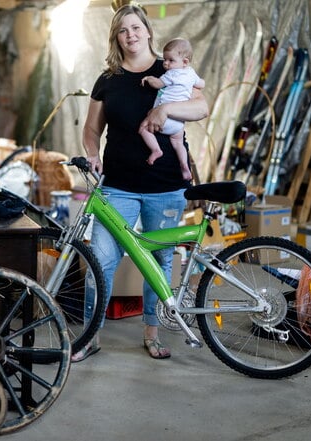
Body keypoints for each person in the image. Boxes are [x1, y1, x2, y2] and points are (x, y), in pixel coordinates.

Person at [73, 4, 208, 362]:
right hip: (116, 185)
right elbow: (91, 130)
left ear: (148, 30)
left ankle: (151, 332)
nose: (130, 35)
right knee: (101, 260)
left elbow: (201, 107)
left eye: (136, 28)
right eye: (123, 30)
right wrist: (92, 153)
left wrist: (165, 110)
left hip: (164, 187)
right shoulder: (108, 79)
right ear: (116, 37)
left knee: (159, 260)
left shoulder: (172, 68)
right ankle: (90, 335)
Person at [139, 37, 205, 181]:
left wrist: (149, 78)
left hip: (165, 120)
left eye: (170, 60)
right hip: (179, 122)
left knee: (143, 128)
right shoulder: (191, 73)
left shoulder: (171, 74)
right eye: (165, 59)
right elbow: (201, 84)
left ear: (185, 62)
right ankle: (184, 166)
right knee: (178, 143)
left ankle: (156, 150)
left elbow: (157, 84)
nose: (166, 63)